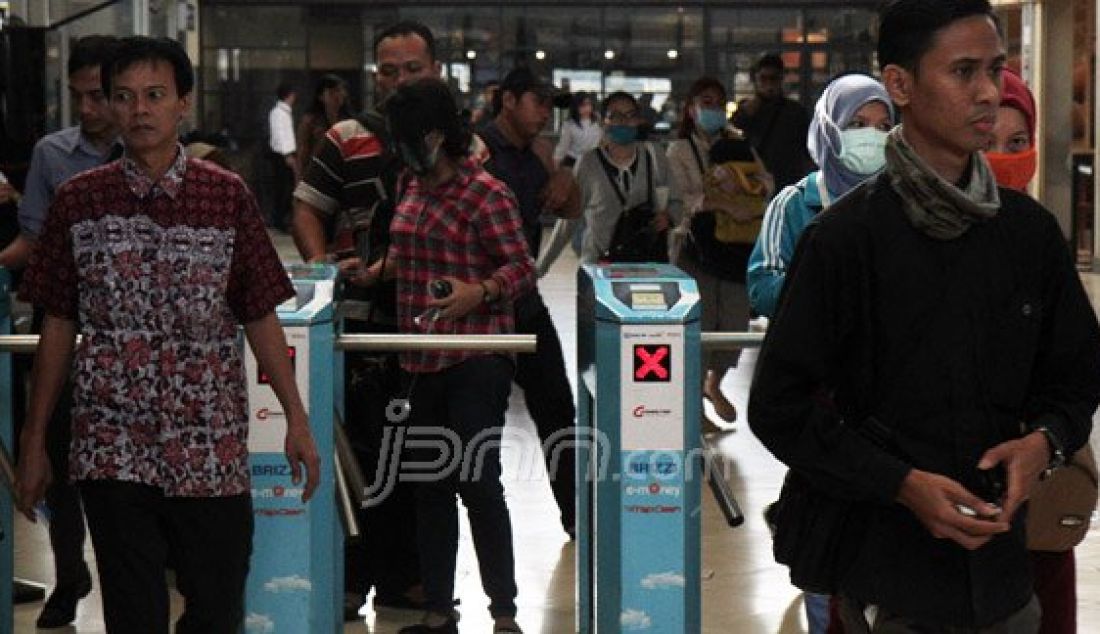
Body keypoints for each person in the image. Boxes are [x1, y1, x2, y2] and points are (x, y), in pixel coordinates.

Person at [749, 1, 1100, 631]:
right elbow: (779, 406)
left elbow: (1078, 374)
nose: (989, 92)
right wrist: (900, 483)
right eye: (963, 72)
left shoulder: (1028, 237)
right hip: (885, 579)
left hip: (1004, 584)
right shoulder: (845, 241)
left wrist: (1043, 442)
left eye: (994, 69)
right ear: (900, 85)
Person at [14, 36, 320, 634]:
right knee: (134, 615)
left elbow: (258, 313)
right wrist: (33, 441)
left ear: (183, 102)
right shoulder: (81, 201)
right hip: (112, 443)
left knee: (216, 609)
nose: (139, 110)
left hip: (211, 444)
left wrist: (296, 420)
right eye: (124, 97)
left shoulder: (225, 195)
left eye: (155, 95)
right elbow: (57, 320)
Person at [370, 77, 534, 634]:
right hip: (419, 356)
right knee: (428, 484)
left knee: (478, 480)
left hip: (476, 355)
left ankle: (504, 611)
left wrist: (478, 293)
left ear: (436, 136)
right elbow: (406, 248)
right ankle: (439, 610)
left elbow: (521, 267)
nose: (400, 149)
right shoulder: (409, 183)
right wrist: (370, 273)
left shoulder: (486, 194)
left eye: (406, 137)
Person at [292, 20, 442, 620]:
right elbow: (307, 206)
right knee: (358, 450)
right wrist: (320, 264)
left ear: (433, 69)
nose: (399, 80)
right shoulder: (346, 137)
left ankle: (411, 577)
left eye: (412, 68)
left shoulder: (455, 142)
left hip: (432, 322)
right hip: (356, 321)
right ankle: (352, 575)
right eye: (389, 69)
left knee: (426, 454)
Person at [746, 72, 895, 634]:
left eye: (883, 127)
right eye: (857, 125)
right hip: (815, 394)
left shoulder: (904, 198)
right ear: (830, 129)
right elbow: (763, 281)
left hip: (885, 395)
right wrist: (828, 304)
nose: (871, 138)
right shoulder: (797, 203)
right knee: (825, 526)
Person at [0, 34, 119, 629]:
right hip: (66, 323)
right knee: (58, 450)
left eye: (100, 96)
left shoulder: (152, 152)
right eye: (80, 98)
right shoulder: (53, 155)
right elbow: (35, 241)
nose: (90, 110)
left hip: (132, 334)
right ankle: (69, 571)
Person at [985, 67, 1083, 634]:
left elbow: (1077, 371)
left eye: (1017, 143)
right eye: (987, 140)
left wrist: (1045, 437)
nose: (1002, 157)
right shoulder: (879, 232)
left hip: (1033, 501)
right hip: (925, 509)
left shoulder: (1041, 239)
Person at [478, 67, 582, 538]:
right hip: (481, 310)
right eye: (537, 102)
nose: (545, 113)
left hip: (526, 302)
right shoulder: (477, 153)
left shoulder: (535, 156)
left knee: (558, 409)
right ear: (508, 101)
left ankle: (578, 518)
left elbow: (572, 209)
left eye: (548, 104)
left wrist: (562, 175)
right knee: (482, 428)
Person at [668, 76, 768, 430]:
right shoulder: (679, 150)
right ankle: (693, 405)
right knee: (699, 327)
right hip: (697, 250)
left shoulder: (739, 145)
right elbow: (682, 197)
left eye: (716, 102)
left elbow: (765, 182)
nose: (710, 109)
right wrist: (723, 200)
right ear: (691, 108)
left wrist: (747, 192)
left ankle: (716, 383)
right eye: (704, 102)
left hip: (737, 249)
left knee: (734, 324)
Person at [574, 91, 682, 265]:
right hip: (599, 267)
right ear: (603, 121)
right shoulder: (589, 163)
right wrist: (542, 265)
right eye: (615, 115)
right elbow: (569, 219)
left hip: (647, 266)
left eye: (630, 115)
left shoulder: (654, 156)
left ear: (639, 120)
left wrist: (668, 218)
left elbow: (677, 203)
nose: (623, 121)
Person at [731, 52, 814, 193]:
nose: (768, 84)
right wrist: (757, 100)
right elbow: (736, 125)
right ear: (756, 80)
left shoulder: (795, 111)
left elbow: (808, 147)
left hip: (787, 180)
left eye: (773, 79)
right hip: (756, 180)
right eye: (763, 79)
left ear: (781, 80)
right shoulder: (749, 108)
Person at [296, 73, 351, 172]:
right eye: (332, 92)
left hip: (342, 173)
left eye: (340, 90)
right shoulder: (310, 121)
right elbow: (302, 155)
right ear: (321, 97)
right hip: (317, 173)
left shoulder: (349, 120)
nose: (337, 95)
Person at [267, 81, 298, 231]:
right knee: (283, 189)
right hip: (281, 155)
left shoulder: (284, 112)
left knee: (287, 188)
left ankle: (282, 218)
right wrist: (287, 154)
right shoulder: (278, 113)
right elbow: (280, 135)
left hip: (285, 154)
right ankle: (280, 220)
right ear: (289, 96)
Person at [553, 91, 601, 169]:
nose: (587, 108)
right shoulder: (569, 124)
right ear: (576, 107)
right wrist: (556, 162)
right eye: (583, 105)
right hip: (573, 161)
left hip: (593, 161)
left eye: (589, 104)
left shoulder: (597, 121)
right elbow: (563, 145)